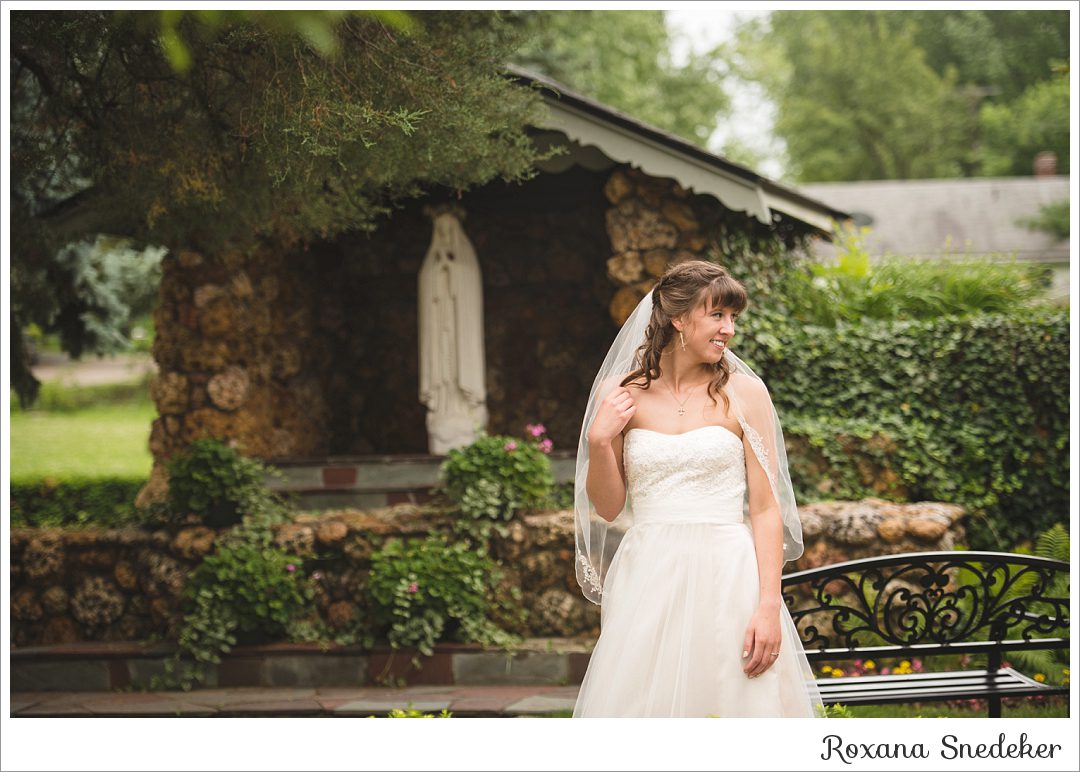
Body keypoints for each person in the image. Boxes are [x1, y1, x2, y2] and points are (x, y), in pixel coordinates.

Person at [572, 259, 824, 718]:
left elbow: (766, 511)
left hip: (728, 573)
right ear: (678, 319)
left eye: (734, 318)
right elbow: (608, 508)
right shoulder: (622, 391)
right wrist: (599, 440)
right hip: (648, 573)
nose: (729, 329)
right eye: (718, 316)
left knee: (736, 704)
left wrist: (768, 605)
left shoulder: (747, 393)